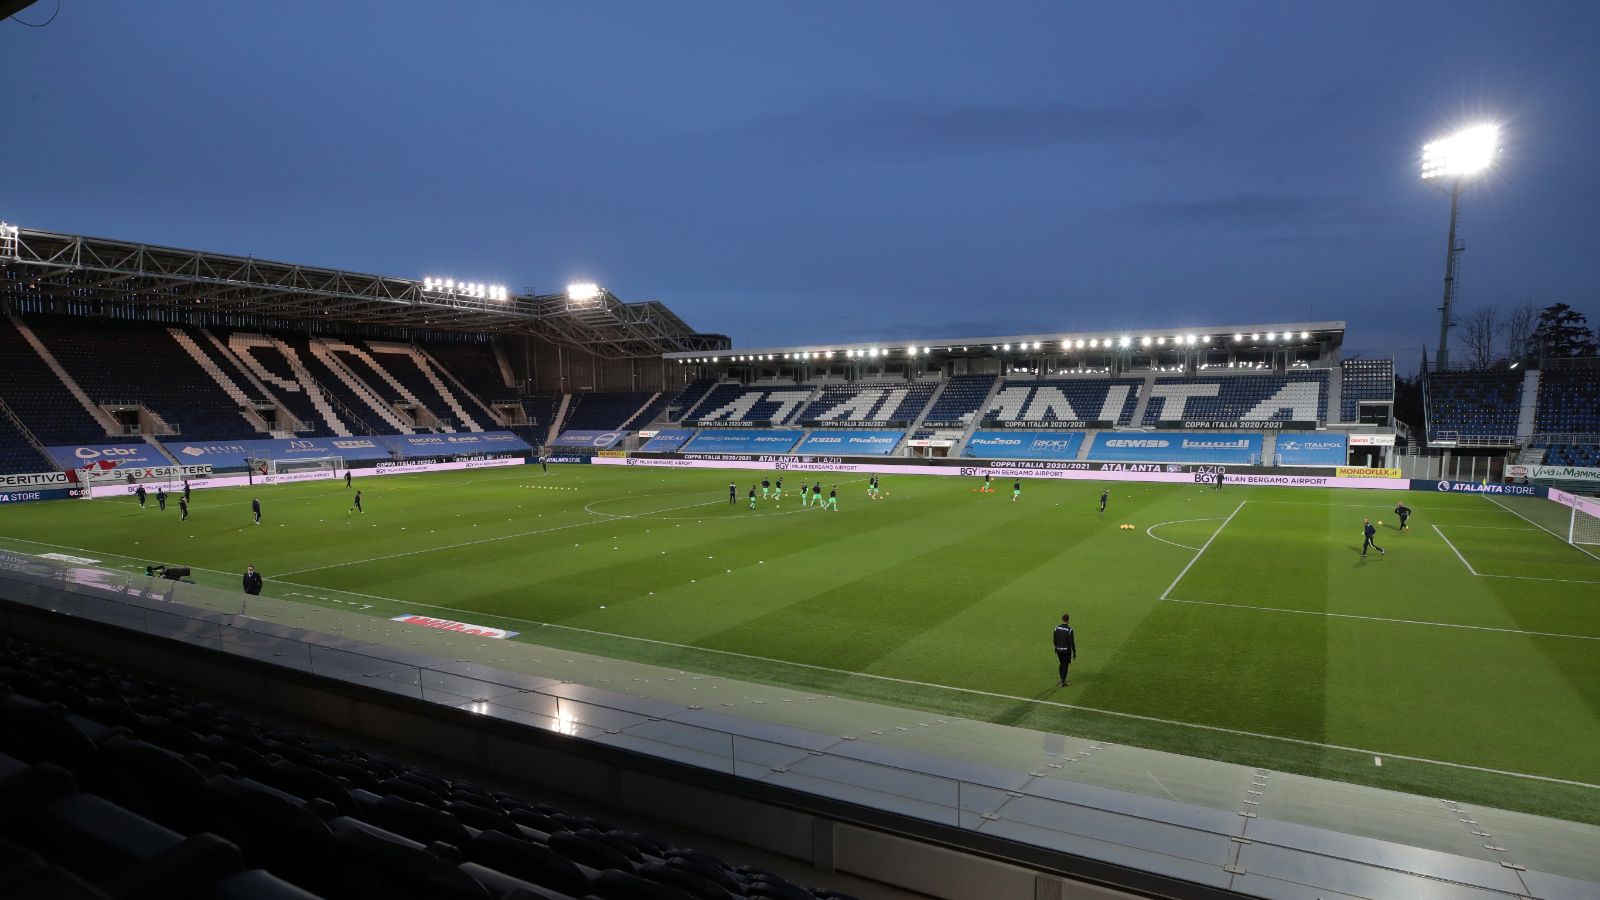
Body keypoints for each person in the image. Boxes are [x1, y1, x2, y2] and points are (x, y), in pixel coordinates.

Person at [1053, 614, 1078, 687]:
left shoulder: (1056, 628)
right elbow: (1072, 642)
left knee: (1061, 663)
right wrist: (1074, 652)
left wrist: (1056, 646)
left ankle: (1061, 679)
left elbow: (1054, 639)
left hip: (1058, 650)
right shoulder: (1070, 630)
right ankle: (1062, 682)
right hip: (1066, 651)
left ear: (1062, 619)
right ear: (1068, 620)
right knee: (1065, 665)